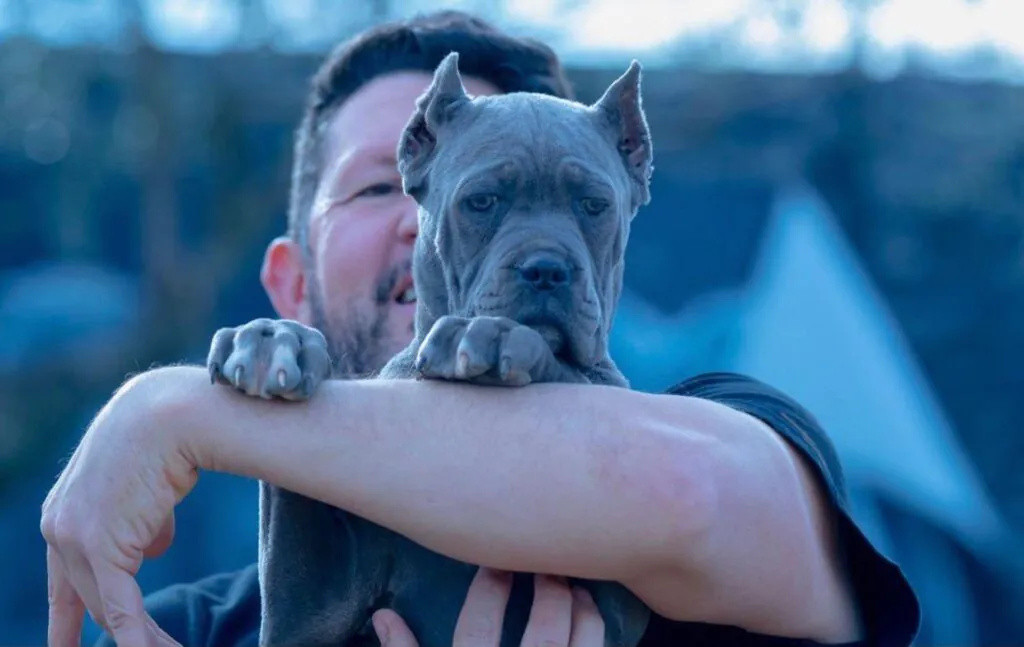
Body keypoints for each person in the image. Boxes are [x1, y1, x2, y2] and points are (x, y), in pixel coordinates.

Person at [41, 10, 921, 647]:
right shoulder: (191, 628)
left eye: (583, 206)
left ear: (629, 188)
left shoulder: (722, 425)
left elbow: (687, 495)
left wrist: (182, 412)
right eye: (385, 187)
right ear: (290, 282)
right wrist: (254, 403)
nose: (543, 251)